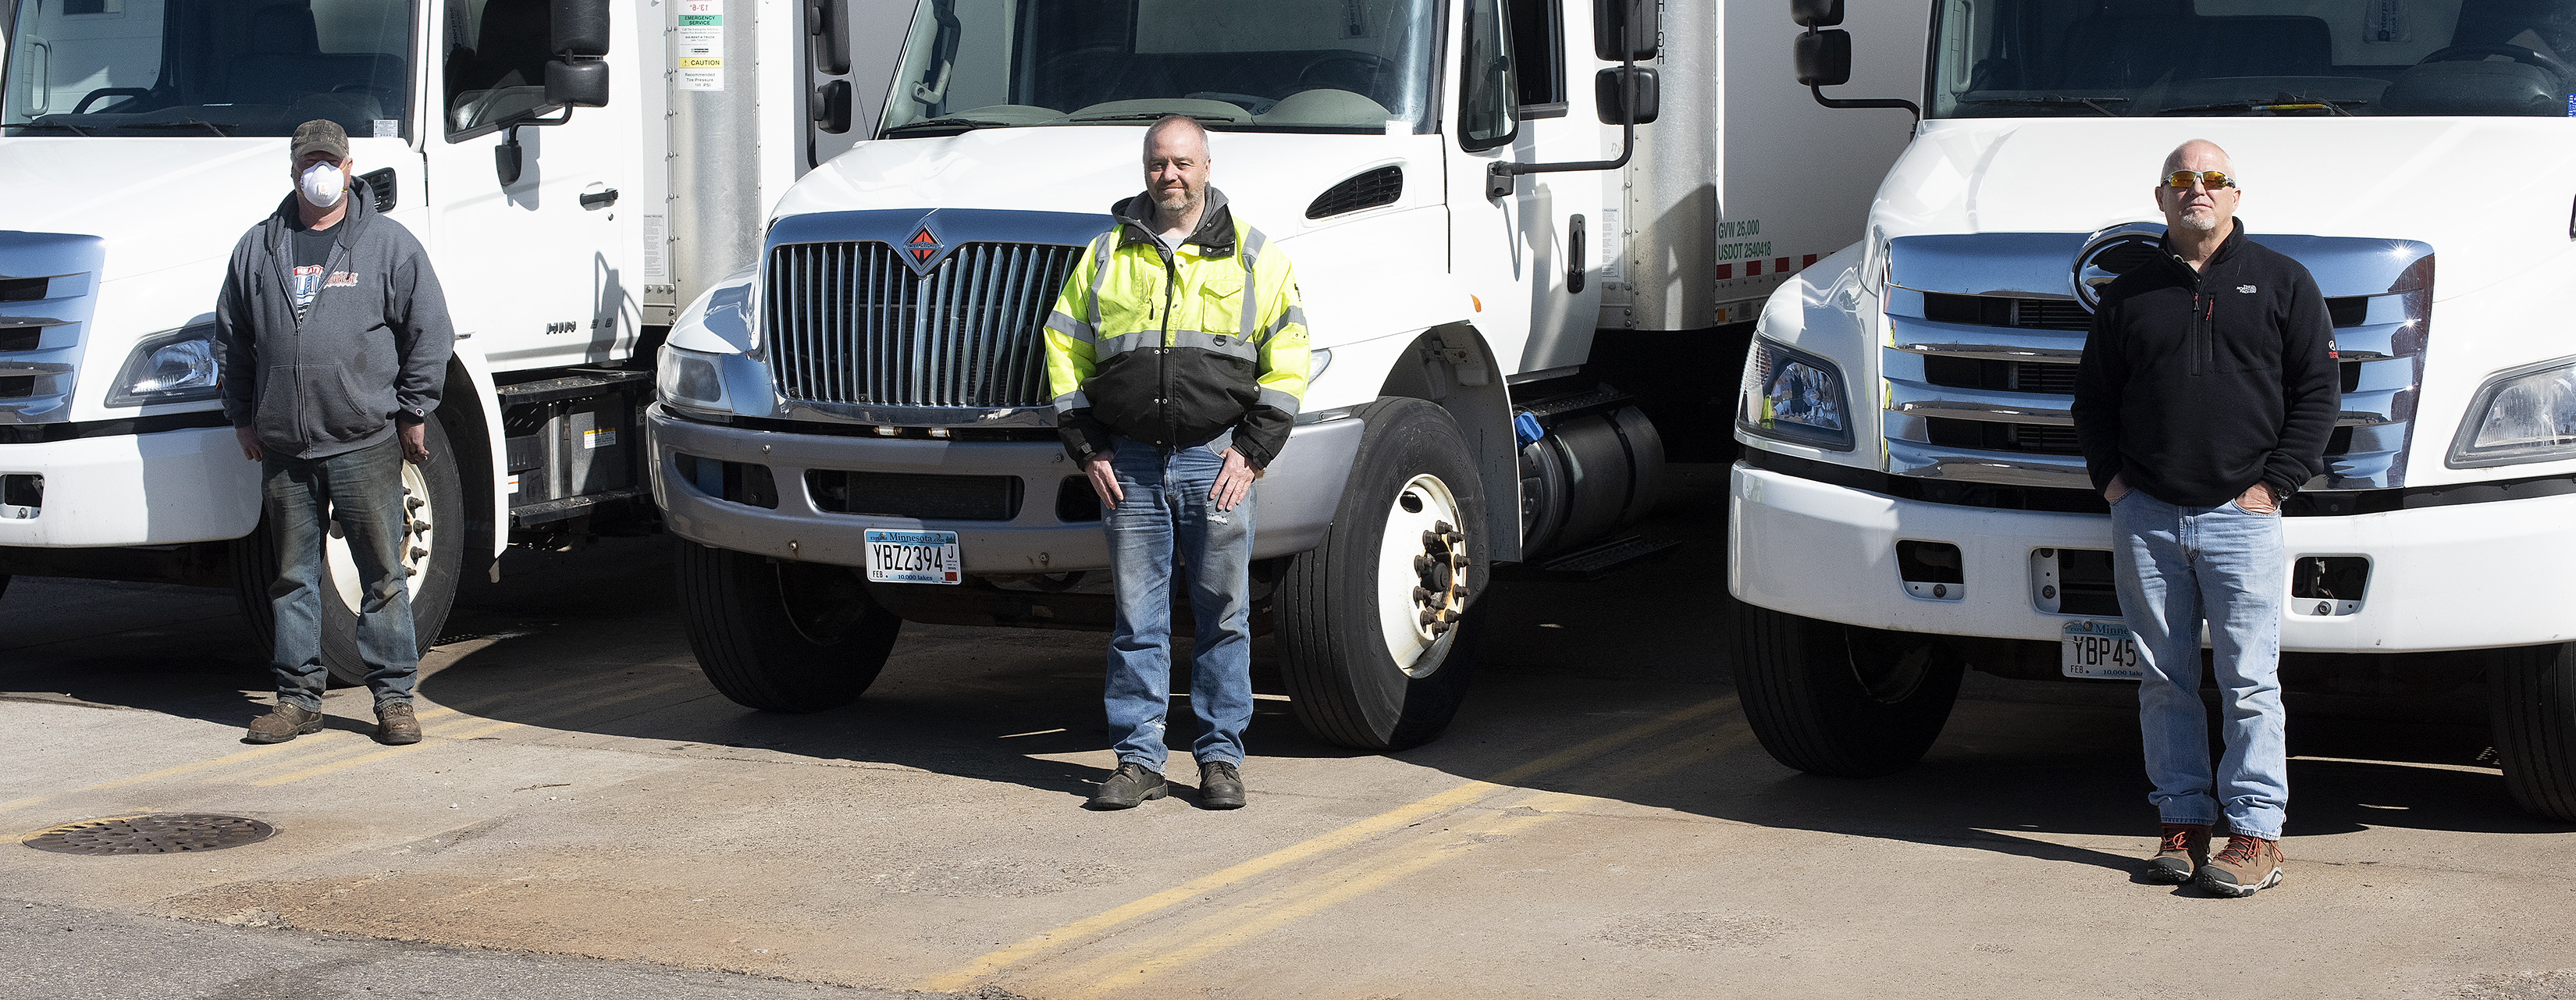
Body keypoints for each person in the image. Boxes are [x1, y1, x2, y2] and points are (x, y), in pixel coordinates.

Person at [2073, 139, 2339, 897]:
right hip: (2148, 516)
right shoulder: (2127, 294)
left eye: (2213, 180)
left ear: (2234, 196)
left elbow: (2320, 394)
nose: (2199, 190)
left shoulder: (2284, 283)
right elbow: (2092, 401)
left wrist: (2275, 485)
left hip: (2240, 517)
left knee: (2250, 679)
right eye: (2183, 180)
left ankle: (2256, 835)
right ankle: (2181, 825)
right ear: (2161, 199)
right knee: (2163, 679)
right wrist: (2115, 485)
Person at [1041, 116, 1311, 810]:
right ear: (1145, 170)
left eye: (1183, 163)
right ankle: (1139, 761)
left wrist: (1252, 452)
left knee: (1224, 613)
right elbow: (1064, 348)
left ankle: (1221, 760)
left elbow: (1288, 356)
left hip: (1214, 462)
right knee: (1138, 617)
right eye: (1159, 163)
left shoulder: (1254, 256)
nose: (1171, 175)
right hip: (1127, 465)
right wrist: (1085, 443)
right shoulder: (1105, 254)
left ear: (1207, 165)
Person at [218, 119, 457, 747]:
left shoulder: (388, 246)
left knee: (382, 573)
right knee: (293, 578)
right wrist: (242, 414)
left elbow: (431, 332)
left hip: (363, 442)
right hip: (285, 450)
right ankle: (297, 699)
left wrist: (413, 411)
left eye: (329, 162)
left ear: (350, 169)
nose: (319, 173)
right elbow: (233, 339)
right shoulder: (257, 249)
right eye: (308, 163)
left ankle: (395, 699)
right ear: (293, 171)